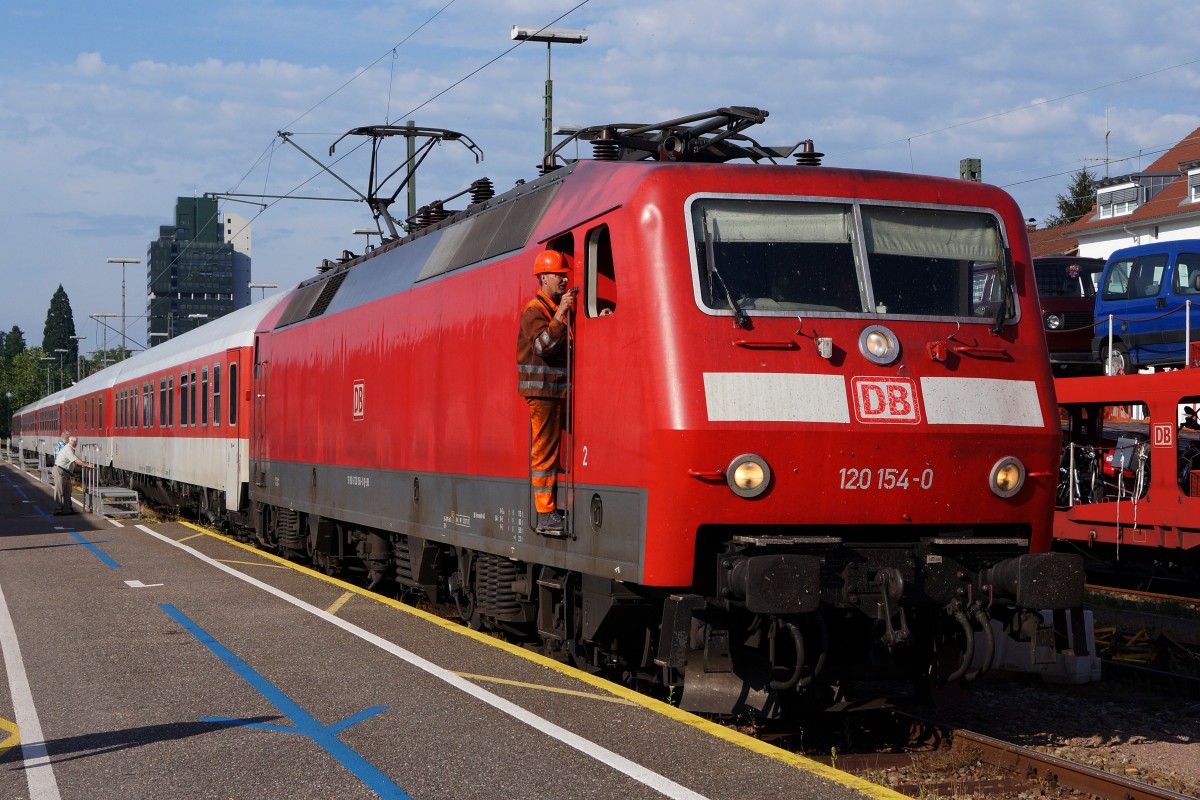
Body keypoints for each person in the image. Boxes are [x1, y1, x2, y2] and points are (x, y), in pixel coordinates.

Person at [516, 250, 576, 534]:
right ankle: (544, 514)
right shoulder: (534, 310)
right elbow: (542, 347)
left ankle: (552, 507)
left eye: (565, 274)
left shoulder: (551, 308)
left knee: (553, 452)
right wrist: (562, 313)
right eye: (558, 275)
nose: (564, 279)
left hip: (556, 392)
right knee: (543, 454)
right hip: (542, 394)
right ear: (543, 278)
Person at [53, 435, 92, 515]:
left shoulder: (70, 448)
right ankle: (58, 510)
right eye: (76, 442)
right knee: (59, 491)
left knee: (67, 491)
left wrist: (84, 463)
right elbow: (76, 460)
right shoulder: (68, 449)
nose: (77, 444)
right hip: (60, 471)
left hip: (65, 472)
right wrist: (86, 464)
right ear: (74, 443)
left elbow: (75, 459)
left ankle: (67, 510)